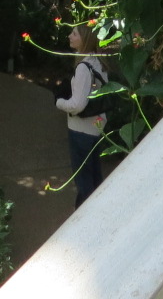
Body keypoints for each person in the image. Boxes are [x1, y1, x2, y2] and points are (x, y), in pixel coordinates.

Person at [55, 24, 108, 208]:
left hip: (80, 130)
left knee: (84, 181)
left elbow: (77, 105)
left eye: (74, 33)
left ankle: (85, 220)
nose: (70, 36)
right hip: (96, 128)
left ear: (84, 39)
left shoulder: (84, 67)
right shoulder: (98, 61)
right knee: (94, 177)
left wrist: (59, 102)